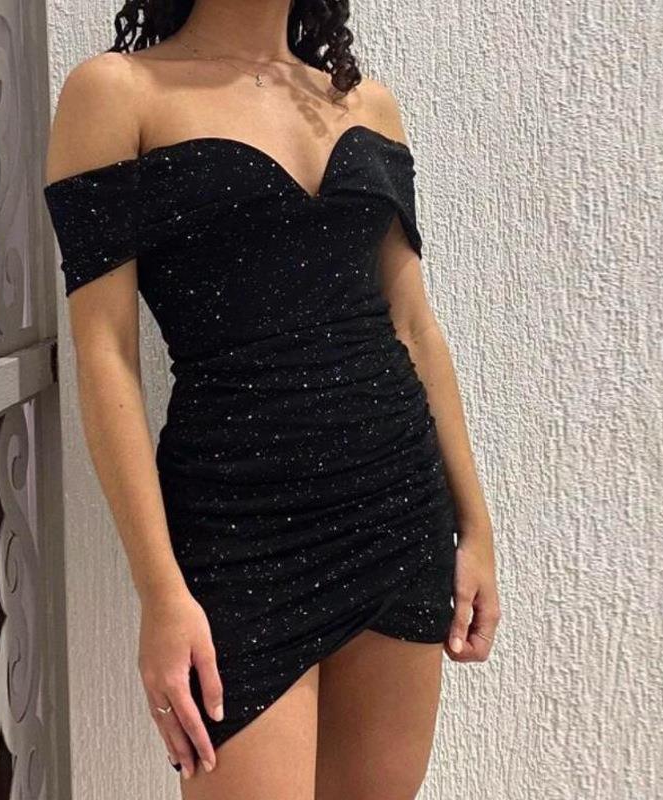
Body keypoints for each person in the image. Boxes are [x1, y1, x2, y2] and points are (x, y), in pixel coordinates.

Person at [42, 1, 501, 798]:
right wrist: (160, 592)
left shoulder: (366, 103)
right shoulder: (116, 93)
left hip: (399, 513)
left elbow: (414, 327)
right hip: (237, 531)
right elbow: (105, 354)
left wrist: (478, 529)